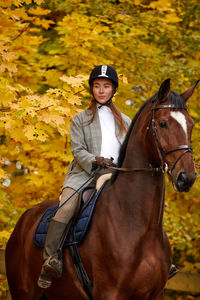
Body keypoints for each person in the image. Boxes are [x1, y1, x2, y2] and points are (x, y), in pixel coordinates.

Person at [37, 65, 131, 289]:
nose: (101, 90)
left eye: (106, 86)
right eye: (97, 86)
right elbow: (78, 150)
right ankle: (50, 258)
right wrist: (95, 160)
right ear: (92, 89)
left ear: (113, 90)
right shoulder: (80, 119)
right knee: (67, 207)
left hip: (116, 175)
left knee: (143, 203)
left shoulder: (126, 121)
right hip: (85, 174)